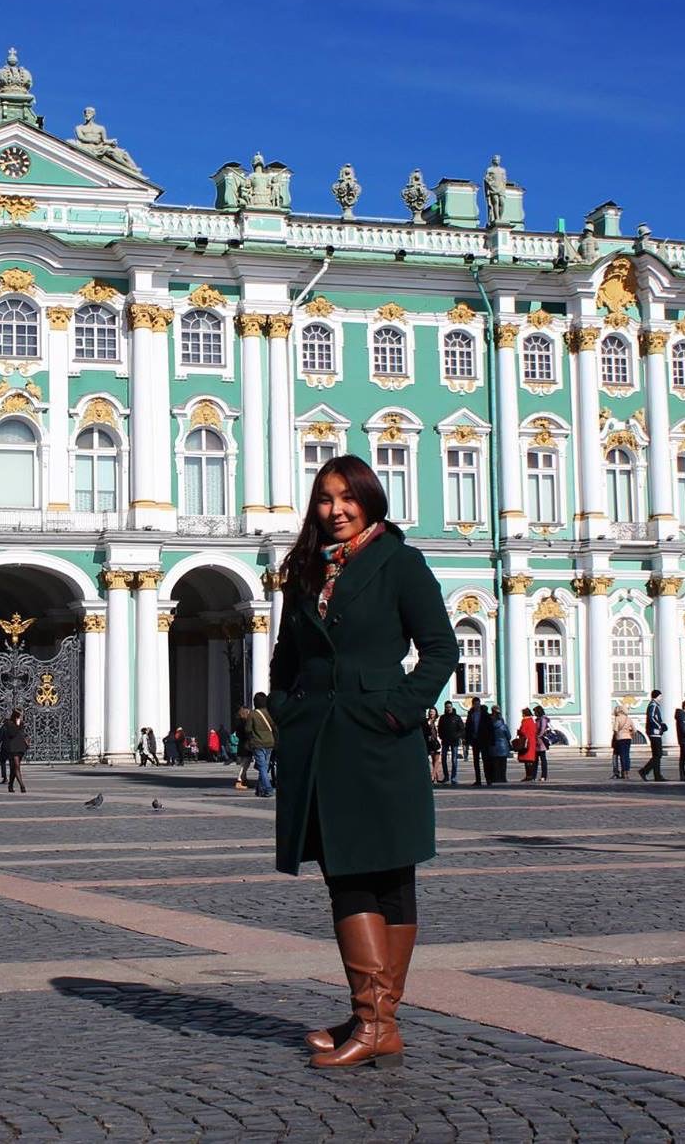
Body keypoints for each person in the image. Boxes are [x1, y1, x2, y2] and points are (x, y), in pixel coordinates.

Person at [267, 453, 458, 1069]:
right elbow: (287, 653)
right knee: (347, 871)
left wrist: (398, 710)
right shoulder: (304, 569)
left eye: (347, 498)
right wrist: (282, 709)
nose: (336, 510)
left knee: (390, 875)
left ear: (369, 500)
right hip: (321, 741)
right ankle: (375, 1019)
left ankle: (375, 1021)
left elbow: (440, 650)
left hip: (380, 738)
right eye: (325, 499)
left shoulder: (400, 563)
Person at [246, 692, 276, 799]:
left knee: (262, 767)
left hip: (258, 743)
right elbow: (275, 727)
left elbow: (248, 729)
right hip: (270, 743)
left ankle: (268, 789)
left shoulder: (253, 714)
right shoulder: (270, 713)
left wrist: (249, 740)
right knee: (264, 767)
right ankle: (259, 789)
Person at [639, 689, 667, 781]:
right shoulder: (653, 705)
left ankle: (657, 775)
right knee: (658, 754)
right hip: (654, 733)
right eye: (660, 696)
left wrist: (661, 725)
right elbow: (652, 718)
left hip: (656, 733)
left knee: (657, 755)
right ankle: (645, 771)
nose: (661, 698)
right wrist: (660, 726)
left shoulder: (655, 705)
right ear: (657, 696)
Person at [484, 707, 511, 784]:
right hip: (503, 746)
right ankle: (503, 778)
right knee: (503, 763)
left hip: (493, 746)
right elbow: (509, 736)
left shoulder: (490, 724)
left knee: (494, 763)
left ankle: (495, 777)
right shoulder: (503, 725)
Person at [437, 703, 462, 785]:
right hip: (445, 741)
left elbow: (461, 729)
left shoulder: (457, 717)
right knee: (443, 759)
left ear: (452, 707)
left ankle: (453, 778)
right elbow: (439, 728)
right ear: (445, 708)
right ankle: (446, 776)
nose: (448, 708)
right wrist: (441, 736)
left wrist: (457, 736)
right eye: (447, 707)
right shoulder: (442, 717)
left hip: (454, 741)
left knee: (454, 760)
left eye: (449, 707)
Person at [464, 697, 486, 786]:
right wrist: (467, 739)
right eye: (475, 704)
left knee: (485, 760)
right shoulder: (471, 714)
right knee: (476, 761)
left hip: (483, 740)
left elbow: (489, 727)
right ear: (473, 704)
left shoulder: (484, 714)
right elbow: (467, 727)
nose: (477, 706)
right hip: (475, 740)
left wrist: (490, 739)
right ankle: (478, 780)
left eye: (478, 704)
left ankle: (488, 779)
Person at [7, 708, 30, 793]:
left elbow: (22, 734)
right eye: (20, 715)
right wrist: (17, 724)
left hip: (20, 747)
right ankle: (22, 785)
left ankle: (10, 785)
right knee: (17, 766)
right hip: (13, 747)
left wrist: (26, 742)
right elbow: (12, 733)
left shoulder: (21, 723)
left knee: (14, 768)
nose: (21, 717)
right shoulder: (9, 723)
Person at [514, 707, 538, 782]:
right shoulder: (532, 721)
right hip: (532, 741)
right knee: (530, 760)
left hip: (525, 742)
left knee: (527, 760)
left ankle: (528, 776)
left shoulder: (525, 721)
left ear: (524, 714)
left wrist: (519, 731)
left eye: (522, 713)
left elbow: (523, 731)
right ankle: (531, 775)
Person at [612, 705, 635, 779]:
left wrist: (616, 736)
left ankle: (623, 772)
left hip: (620, 738)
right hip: (628, 738)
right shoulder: (629, 719)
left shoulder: (617, 718)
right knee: (627, 755)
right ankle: (627, 772)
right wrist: (630, 735)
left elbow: (615, 729)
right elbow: (634, 730)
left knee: (622, 756)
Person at [233, 705, 253, 790]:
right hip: (246, 744)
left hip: (241, 744)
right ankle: (239, 780)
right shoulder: (245, 722)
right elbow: (248, 732)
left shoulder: (238, 721)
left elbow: (238, 734)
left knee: (244, 763)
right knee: (245, 764)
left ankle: (244, 780)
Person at [532, 704, 551, 783]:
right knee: (535, 760)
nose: (534, 713)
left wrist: (538, 736)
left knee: (543, 760)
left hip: (541, 742)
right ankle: (533, 776)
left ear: (538, 711)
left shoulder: (543, 719)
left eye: (535, 712)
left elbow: (542, 729)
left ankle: (543, 776)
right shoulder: (537, 719)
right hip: (536, 742)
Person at [423, 709, 441, 782]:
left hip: (437, 742)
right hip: (429, 742)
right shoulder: (426, 721)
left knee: (436, 760)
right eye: (430, 711)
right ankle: (437, 776)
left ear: (436, 713)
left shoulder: (438, 720)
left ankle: (433, 776)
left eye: (433, 712)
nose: (431, 713)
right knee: (432, 760)